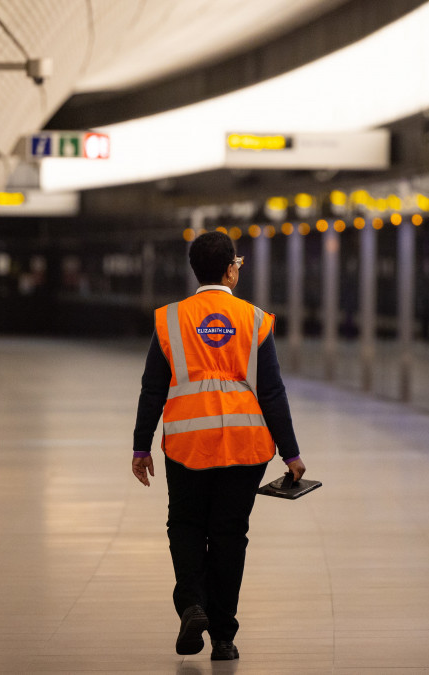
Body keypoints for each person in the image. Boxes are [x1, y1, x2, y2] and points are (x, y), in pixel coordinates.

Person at [132, 231, 306, 661]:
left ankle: (192, 603)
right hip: (245, 446)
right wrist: (291, 452)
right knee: (230, 535)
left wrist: (141, 447)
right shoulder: (253, 319)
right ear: (230, 269)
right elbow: (272, 391)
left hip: (188, 442)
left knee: (186, 525)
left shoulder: (171, 319)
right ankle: (224, 638)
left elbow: (152, 388)